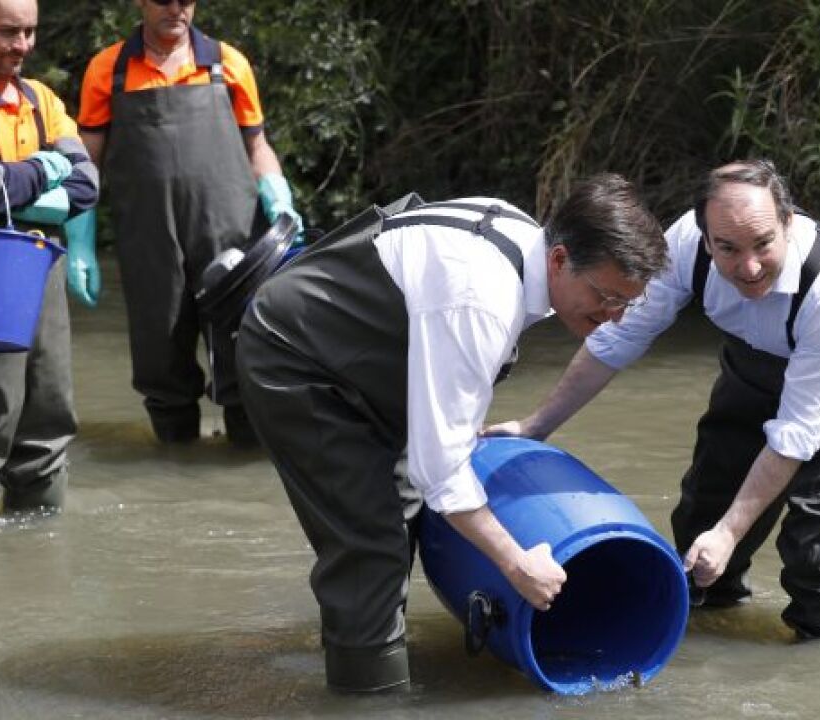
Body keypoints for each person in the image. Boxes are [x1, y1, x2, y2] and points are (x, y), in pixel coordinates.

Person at [235, 173, 669, 692]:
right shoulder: (480, 298)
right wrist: (516, 563)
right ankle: (369, 698)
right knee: (371, 545)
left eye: (627, 304)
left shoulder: (525, 247)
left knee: (401, 515)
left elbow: (435, 456)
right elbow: (441, 471)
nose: (614, 317)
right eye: (606, 296)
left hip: (361, 363)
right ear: (559, 259)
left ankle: (361, 648)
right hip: (297, 359)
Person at [488, 160, 820, 639]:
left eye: (763, 244)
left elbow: (795, 434)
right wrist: (536, 426)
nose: (749, 267)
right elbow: (618, 339)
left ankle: (817, 649)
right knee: (703, 513)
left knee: (819, 537)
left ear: (789, 223)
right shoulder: (684, 245)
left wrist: (730, 533)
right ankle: (704, 625)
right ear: (705, 239)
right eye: (728, 248)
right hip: (754, 353)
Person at [76, 0, 301, 446]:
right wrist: (80, 240)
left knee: (243, 352)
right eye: (165, 0)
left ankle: (243, 460)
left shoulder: (227, 64)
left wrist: (279, 194)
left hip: (231, 236)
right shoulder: (109, 70)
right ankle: (175, 457)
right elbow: (86, 162)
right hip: (149, 239)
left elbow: (257, 146)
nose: (177, 9)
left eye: (187, 0)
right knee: (160, 360)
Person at [0, 0, 99, 513]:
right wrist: (43, 168)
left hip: (41, 266)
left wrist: (17, 184)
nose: (23, 45)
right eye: (8, 32)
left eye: (30, 31)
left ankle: (38, 546)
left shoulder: (42, 100)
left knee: (48, 415)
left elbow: (86, 183)